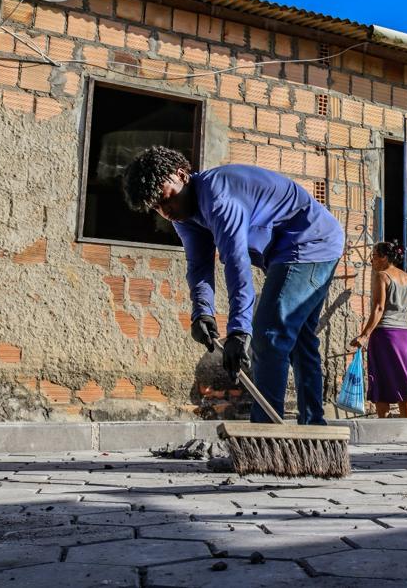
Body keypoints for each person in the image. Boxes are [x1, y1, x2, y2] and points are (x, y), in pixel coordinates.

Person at [122, 146, 344, 425]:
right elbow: (199, 266)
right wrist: (202, 312)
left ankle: (267, 435)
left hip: (311, 242)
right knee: (300, 340)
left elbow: (236, 262)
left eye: (167, 200)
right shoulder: (185, 215)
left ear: (182, 176)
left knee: (269, 333)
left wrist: (239, 330)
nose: (166, 212)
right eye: (157, 208)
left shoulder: (217, 196)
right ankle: (314, 430)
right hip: (287, 252)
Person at [350, 241, 407, 418]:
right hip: (405, 335)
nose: (372, 261)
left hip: (385, 334)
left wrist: (364, 335)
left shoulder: (382, 276)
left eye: (374, 256)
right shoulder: (406, 277)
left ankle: (382, 421)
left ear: (384, 258)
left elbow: (378, 308)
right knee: (404, 377)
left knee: (380, 376)